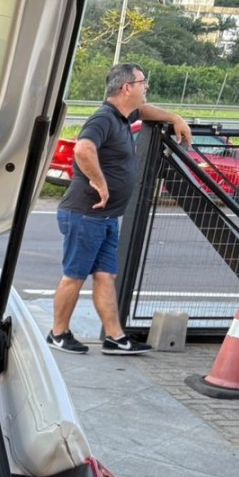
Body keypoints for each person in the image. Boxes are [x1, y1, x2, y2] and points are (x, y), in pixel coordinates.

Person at [47, 63, 192, 355]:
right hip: (86, 213)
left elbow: (146, 111)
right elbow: (83, 148)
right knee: (75, 275)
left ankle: (115, 338)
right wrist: (99, 182)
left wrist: (174, 117)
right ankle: (58, 334)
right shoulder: (103, 118)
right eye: (143, 82)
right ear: (127, 88)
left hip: (106, 216)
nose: (146, 87)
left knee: (105, 276)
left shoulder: (124, 116)